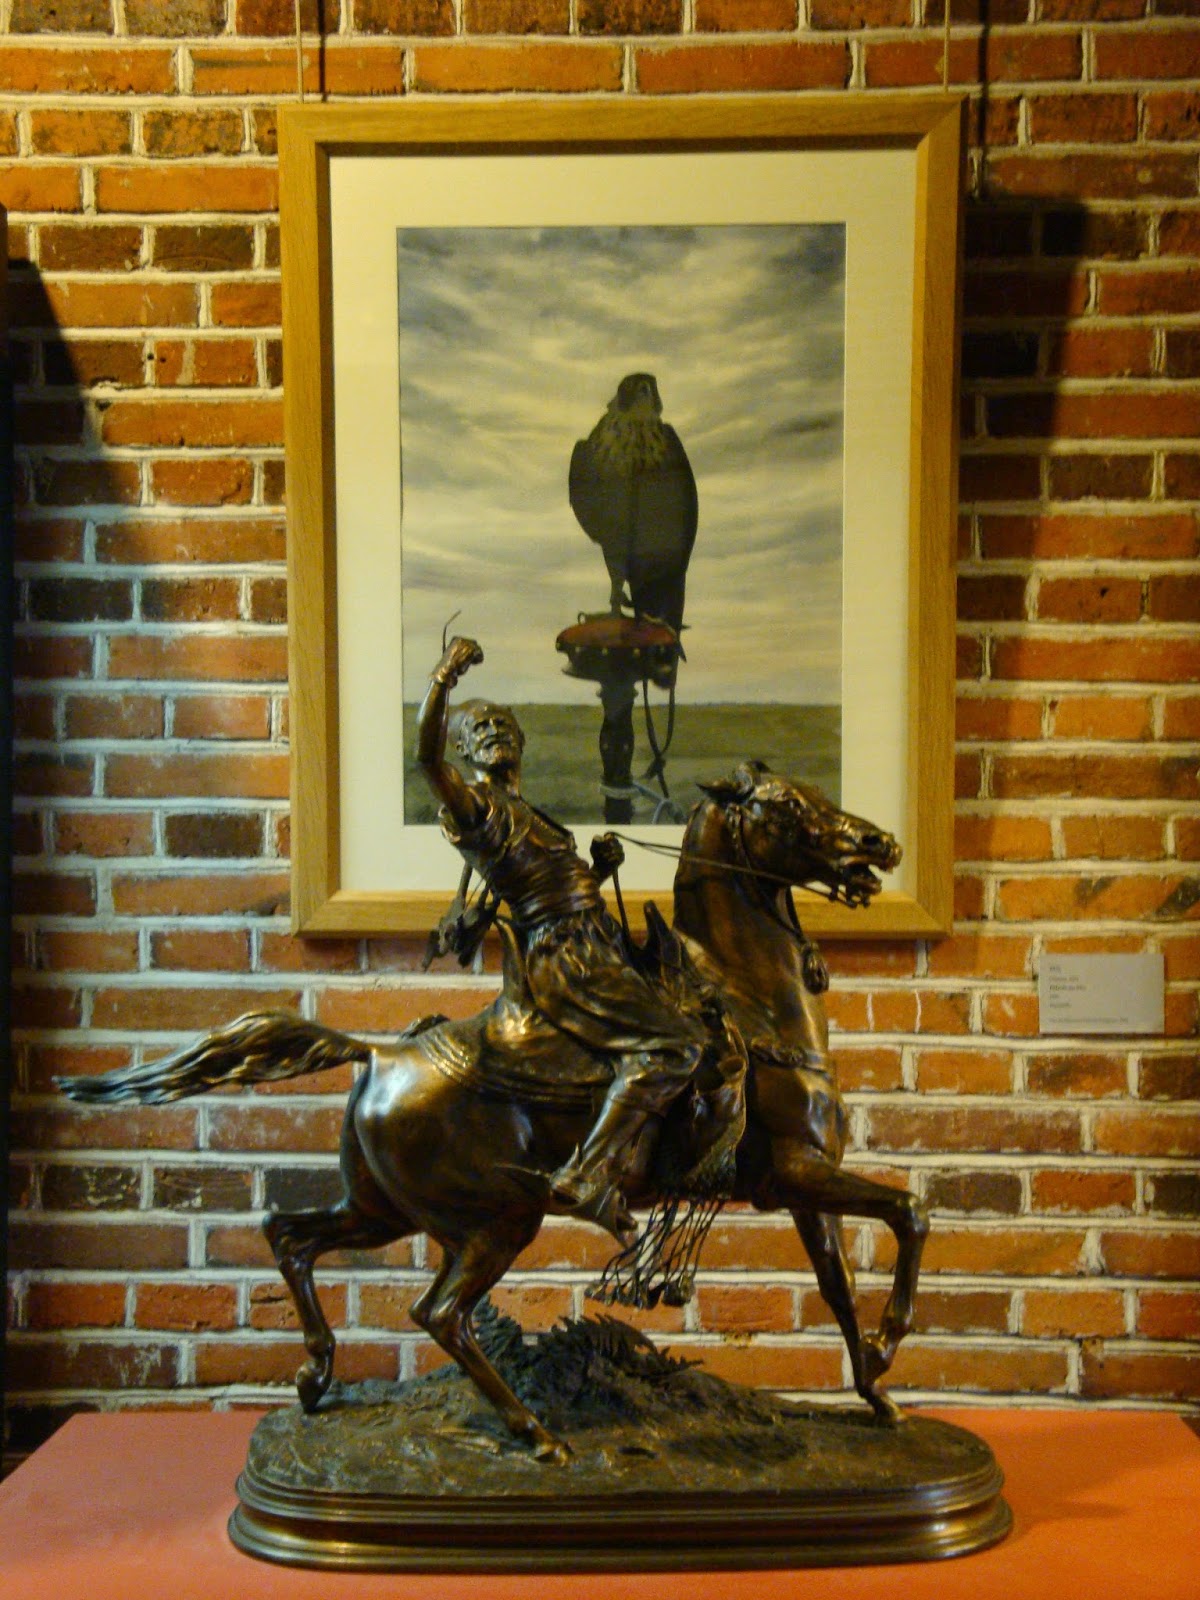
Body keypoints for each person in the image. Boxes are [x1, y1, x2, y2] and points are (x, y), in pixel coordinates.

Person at [417, 635, 725, 1243]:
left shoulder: (528, 812)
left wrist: (599, 872)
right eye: (479, 728)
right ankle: (586, 1175)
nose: (494, 732)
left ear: (521, 741)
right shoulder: (477, 807)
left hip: (591, 942)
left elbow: (557, 888)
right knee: (679, 1046)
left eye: (503, 725)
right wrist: (444, 677)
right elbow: (426, 762)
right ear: (462, 748)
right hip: (565, 959)